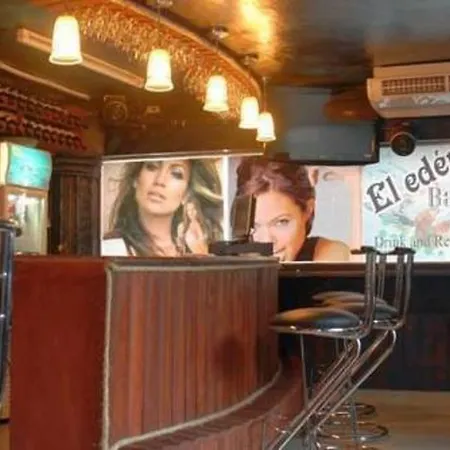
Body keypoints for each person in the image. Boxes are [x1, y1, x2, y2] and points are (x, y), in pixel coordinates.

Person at [235, 157, 350, 262]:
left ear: (308, 210)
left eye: (281, 222)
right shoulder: (235, 259)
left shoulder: (328, 254)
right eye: (254, 226)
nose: (266, 240)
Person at [102, 158, 222, 257]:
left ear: (186, 195)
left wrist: (201, 255)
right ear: (136, 179)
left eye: (176, 174)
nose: (160, 180)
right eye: (152, 167)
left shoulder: (196, 249)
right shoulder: (112, 249)